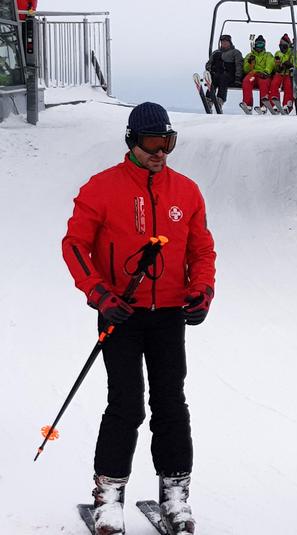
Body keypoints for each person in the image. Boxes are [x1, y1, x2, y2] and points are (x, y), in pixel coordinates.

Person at [62, 102, 216, 535]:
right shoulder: (101, 188)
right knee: (125, 403)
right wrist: (98, 294)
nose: (160, 152)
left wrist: (202, 291)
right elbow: (75, 245)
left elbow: (201, 250)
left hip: (169, 314)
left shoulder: (186, 191)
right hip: (121, 312)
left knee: (170, 403)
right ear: (132, 141)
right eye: (152, 142)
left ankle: (175, 497)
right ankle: (109, 498)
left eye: (167, 142)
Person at [205, 34, 243, 109]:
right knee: (213, 80)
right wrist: (209, 70)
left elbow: (239, 65)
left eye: (226, 42)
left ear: (230, 43)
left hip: (229, 75)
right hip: (217, 74)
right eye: (222, 42)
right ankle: (209, 99)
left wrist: (238, 78)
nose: (224, 43)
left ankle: (220, 99)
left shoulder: (235, 52)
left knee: (223, 78)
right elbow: (209, 63)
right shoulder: (216, 52)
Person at [240, 35, 275, 114]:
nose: (259, 46)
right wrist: (250, 63)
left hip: (263, 75)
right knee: (247, 81)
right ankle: (248, 104)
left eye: (261, 44)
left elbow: (270, 64)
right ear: (255, 44)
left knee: (264, 82)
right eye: (258, 44)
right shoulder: (250, 55)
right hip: (253, 75)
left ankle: (263, 105)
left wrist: (266, 72)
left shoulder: (267, 55)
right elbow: (246, 69)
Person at [268, 34, 297, 114]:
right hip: (280, 73)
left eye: (284, 46)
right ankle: (274, 104)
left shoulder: (296, 54)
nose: (282, 48)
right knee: (274, 84)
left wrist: (292, 66)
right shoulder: (278, 53)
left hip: (289, 74)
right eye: (280, 46)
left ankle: (287, 104)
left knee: (289, 85)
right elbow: (274, 64)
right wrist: (279, 66)